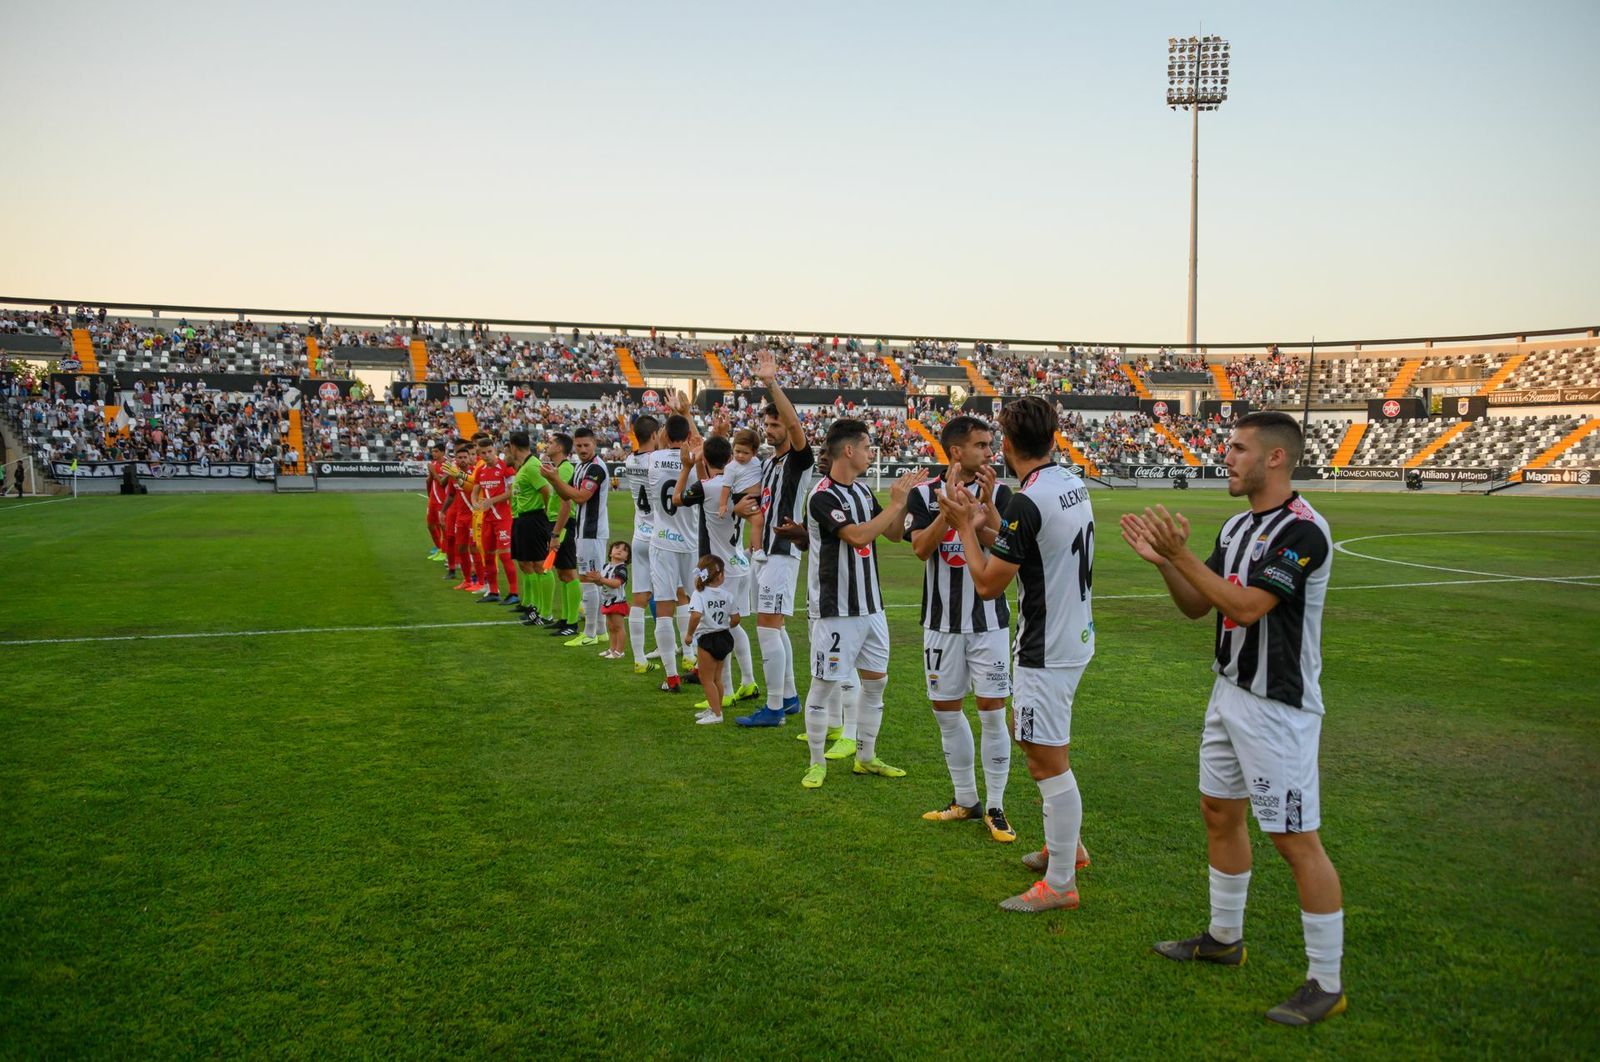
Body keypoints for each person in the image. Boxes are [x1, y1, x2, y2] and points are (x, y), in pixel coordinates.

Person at [1118, 410, 1346, 1026]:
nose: (1227, 457)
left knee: (1296, 840)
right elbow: (1200, 606)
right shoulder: (1239, 525)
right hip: (1228, 693)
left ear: (1275, 458)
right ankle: (1224, 939)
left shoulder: (1304, 532)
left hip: (1279, 709)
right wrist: (1166, 562)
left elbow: (1246, 608)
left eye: (1239, 449)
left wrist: (1181, 553)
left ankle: (1326, 980)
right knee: (1219, 811)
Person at [940, 396, 1094, 913]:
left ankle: (1060, 883)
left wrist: (963, 522)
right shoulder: (1069, 482)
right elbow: (1024, 542)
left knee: (1043, 758)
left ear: (1006, 445)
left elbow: (987, 584)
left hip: (1045, 645)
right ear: (1053, 438)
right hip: (1074, 635)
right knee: (1050, 749)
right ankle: (1066, 848)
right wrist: (986, 523)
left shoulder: (1028, 500)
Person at [906, 415, 1016, 843]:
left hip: (988, 623)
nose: (990, 452)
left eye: (990, 445)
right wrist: (947, 514)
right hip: (941, 624)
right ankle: (965, 800)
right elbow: (919, 548)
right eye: (982, 445)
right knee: (946, 713)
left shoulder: (1002, 493)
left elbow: (1005, 547)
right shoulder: (922, 493)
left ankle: (996, 806)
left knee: (992, 713)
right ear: (956, 452)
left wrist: (982, 514)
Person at [799, 418, 925, 788]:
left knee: (876, 684)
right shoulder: (822, 495)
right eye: (868, 447)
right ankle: (816, 762)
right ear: (849, 450)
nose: (872, 454)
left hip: (872, 607)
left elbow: (890, 532)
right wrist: (896, 502)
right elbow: (856, 536)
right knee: (823, 686)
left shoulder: (863, 491)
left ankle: (866, 757)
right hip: (836, 610)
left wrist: (903, 503)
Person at [736, 350, 814, 727]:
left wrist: (771, 382)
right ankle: (789, 697)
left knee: (767, 625)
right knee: (772, 626)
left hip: (784, 552)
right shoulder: (770, 463)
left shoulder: (799, 459)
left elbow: (797, 429)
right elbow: (757, 498)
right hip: (766, 553)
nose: (769, 430)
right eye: (767, 425)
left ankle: (774, 709)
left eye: (775, 425)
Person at [672, 431, 760, 708]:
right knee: (735, 627)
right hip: (739, 563)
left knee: (719, 629)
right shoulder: (740, 485)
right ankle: (748, 682)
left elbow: (676, 499)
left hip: (720, 569)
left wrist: (687, 466)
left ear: (706, 458)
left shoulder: (707, 488)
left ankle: (729, 691)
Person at [645, 402, 701, 693]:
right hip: (690, 541)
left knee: (664, 607)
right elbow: (698, 447)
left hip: (663, 541)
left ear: (665, 434)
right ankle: (696, 662)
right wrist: (688, 417)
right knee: (695, 602)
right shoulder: (694, 460)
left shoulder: (653, 460)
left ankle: (671, 676)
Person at [541, 426, 610, 646]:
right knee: (592, 580)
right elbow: (565, 495)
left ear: (594, 444)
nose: (582, 449)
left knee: (588, 580)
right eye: (579, 445)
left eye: (586, 445)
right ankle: (600, 631)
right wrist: (554, 480)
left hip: (592, 531)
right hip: (583, 531)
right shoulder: (581, 467)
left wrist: (555, 480)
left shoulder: (596, 469)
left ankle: (589, 634)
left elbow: (580, 497)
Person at [623, 415, 660, 671]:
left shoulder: (629, 460)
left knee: (639, 598)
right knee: (678, 595)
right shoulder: (657, 462)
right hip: (661, 536)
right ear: (655, 435)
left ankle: (639, 659)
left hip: (639, 535)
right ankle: (687, 653)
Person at [506, 431, 553, 623]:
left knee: (540, 565)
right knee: (527, 563)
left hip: (534, 519)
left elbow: (546, 490)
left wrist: (545, 516)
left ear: (513, 447)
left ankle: (544, 612)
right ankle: (533, 607)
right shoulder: (525, 467)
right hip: (523, 519)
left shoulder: (533, 466)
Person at [538, 433, 581, 637]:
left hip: (563, 524)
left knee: (569, 571)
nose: (548, 445)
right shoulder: (558, 469)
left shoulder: (565, 469)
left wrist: (556, 533)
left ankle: (572, 623)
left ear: (561, 448)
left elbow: (567, 502)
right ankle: (565, 618)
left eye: (553, 442)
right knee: (562, 572)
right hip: (556, 523)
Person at [684, 555, 736, 725]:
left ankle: (716, 713)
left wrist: (689, 634)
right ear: (720, 575)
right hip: (724, 637)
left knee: (706, 679)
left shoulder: (699, 594)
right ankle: (715, 708)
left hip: (708, 638)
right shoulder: (727, 595)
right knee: (717, 679)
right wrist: (724, 624)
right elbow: (736, 619)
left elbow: (696, 615)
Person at [470, 433, 517, 604]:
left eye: (490, 451)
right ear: (479, 454)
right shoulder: (481, 470)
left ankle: (514, 593)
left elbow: (512, 492)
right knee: (488, 556)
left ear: (494, 450)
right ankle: (493, 591)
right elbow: (475, 490)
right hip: (487, 518)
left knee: (505, 555)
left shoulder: (506, 467)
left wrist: (491, 501)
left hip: (504, 517)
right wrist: (475, 502)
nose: (487, 455)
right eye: (483, 453)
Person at [584, 541, 631, 659]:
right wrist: (594, 579)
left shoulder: (622, 569)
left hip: (617, 602)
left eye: (624, 550)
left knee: (619, 627)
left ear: (627, 557)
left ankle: (619, 651)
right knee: (611, 627)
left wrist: (601, 579)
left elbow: (616, 583)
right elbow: (601, 583)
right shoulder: (606, 567)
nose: (620, 550)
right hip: (607, 601)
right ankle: (612, 649)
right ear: (610, 552)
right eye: (617, 547)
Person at [425, 442, 449, 561]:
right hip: (433, 500)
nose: (433, 454)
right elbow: (430, 481)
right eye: (432, 451)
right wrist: (429, 495)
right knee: (430, 525)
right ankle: (439, 548)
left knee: (443, 527)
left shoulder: (447, 465)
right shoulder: (433, 464)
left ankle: (445, 552)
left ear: (443, 452)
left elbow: (442, 483)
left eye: (436, 451)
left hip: (442, 500)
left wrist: (433, 472)